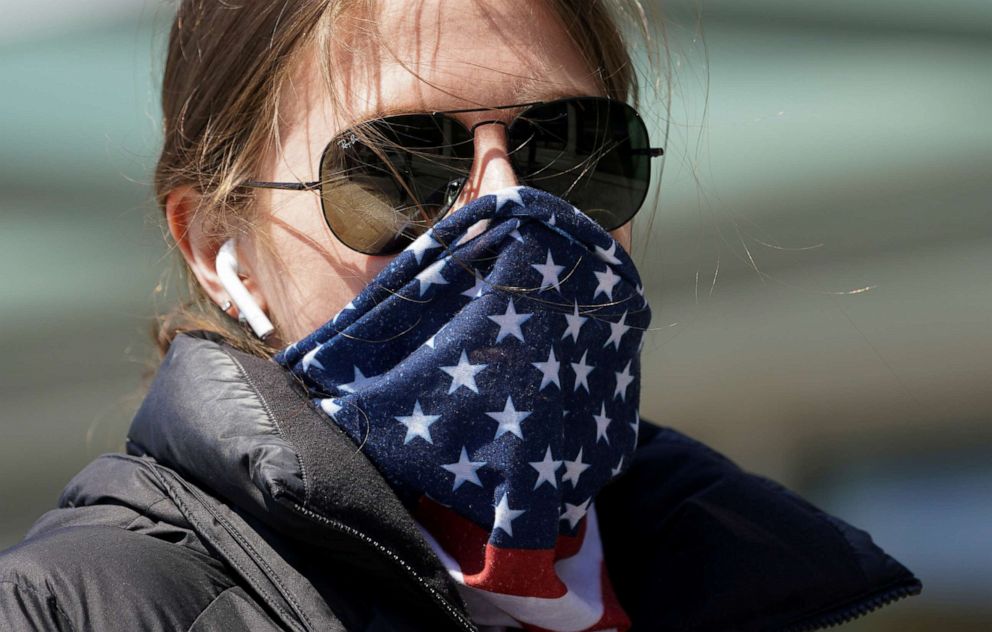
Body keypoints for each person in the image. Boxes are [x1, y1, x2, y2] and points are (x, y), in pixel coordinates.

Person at [0, 1, 921, 630]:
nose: (506, 213)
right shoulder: (78, 609)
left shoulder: (757, 580)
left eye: (568, 148)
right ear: (217, 246)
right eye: (400, 168)